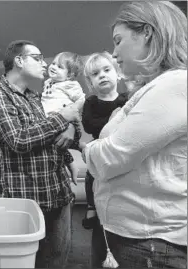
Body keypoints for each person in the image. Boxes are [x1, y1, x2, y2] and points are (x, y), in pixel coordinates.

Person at [82, 2, 187, 268]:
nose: (114, 53)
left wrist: (87, 148)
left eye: (118, 41)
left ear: (147, 33)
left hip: (150, 244)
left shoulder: (173, 85)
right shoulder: (152, 89)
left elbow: (108, 156)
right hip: (138, 238)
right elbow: (106, 133)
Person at [0, 40, 81, 268]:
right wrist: (63, 118)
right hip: (23, 201)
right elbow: (19, 139)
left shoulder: (37, 98)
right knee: (23, 264)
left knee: (56, 262)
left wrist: (69, 145)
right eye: (37, 58)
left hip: (58, 193)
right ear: (19, 61)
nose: (44, 64)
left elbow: (55, 138)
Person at [80, 52, 128, 230]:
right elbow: (89, 125)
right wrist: (112, 120)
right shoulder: (91, 102)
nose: (102, 75)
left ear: (118, 73)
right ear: (91, 83)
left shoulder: (126, 99)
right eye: (95, 74)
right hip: (100, 146)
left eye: (107, 70)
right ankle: (91, 206)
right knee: (91, 174)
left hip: (121, 146)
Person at [42, 51, 86, 186]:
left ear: (70, 75)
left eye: (60, 67)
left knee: (60, 142)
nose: (53, 67)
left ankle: (82, 147)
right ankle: (71, 163)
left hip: (66, 119)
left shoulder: (70, 84)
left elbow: (81, 99)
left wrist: (72, 112)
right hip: (51, 119)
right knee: (55, 144)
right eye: (54, 63)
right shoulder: (48, 82)